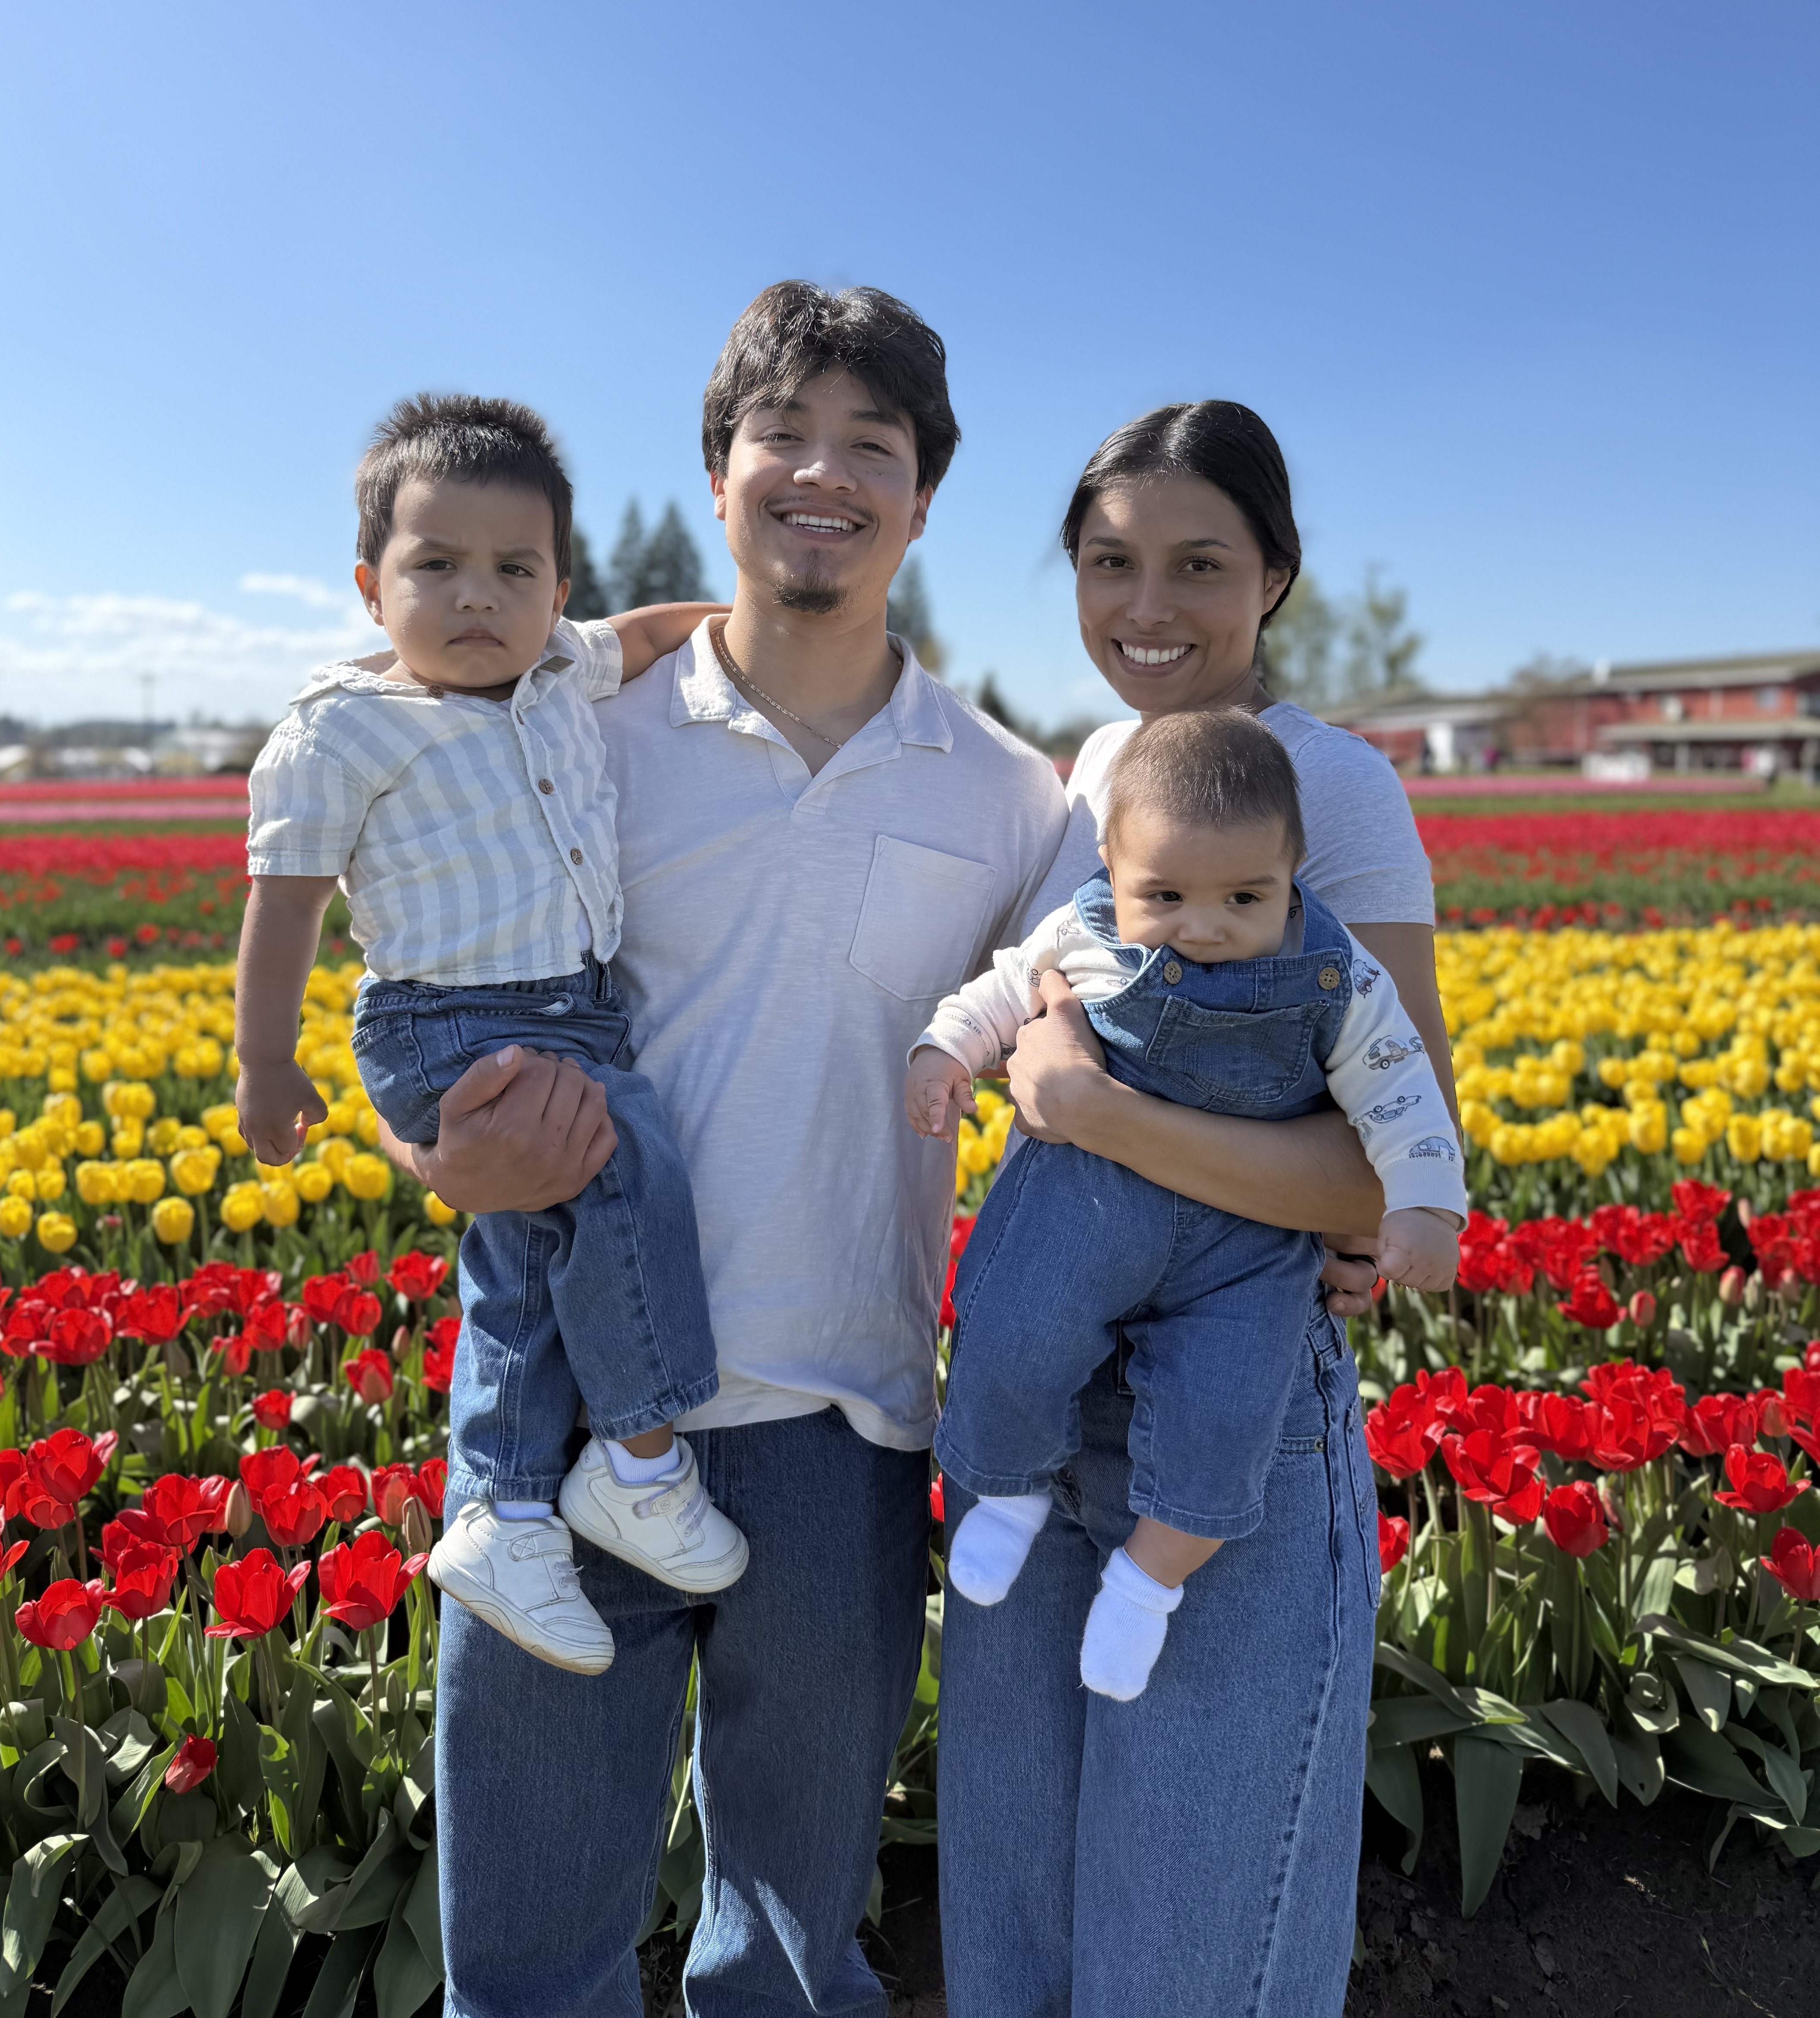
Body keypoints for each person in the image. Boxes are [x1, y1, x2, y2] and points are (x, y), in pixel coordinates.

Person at [383, 286, 1074, 2018]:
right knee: (532, 1962)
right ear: (718, 471)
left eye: (874, 446)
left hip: (839, 1432)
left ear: (925, 499)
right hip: (563, 1420)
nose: (822, 473)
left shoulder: (1009, 797)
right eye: (785, 433)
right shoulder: (571, 738)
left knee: (788, 1955)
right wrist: (439, 1166)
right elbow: (415, 1009)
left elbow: (1114, 1030)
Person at [937, 399, 1456, 2018]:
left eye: (1198, 564)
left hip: (1227, 1425)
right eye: (1108, 563)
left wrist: (1093, 1110)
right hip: (1040, 1404)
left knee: (1183, 1966)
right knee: (1016, 1942)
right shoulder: (1094, 767)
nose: (1145, 606)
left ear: (1276, 579)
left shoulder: (1331, 785)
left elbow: (1381, 1165)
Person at [238, 393, 746, 1678]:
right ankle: (639, 1459)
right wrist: (263, 1061)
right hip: (448, 1015)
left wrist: (734, 626)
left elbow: (641, 634)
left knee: (525, 1263)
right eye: (436, 566)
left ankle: (507, 1514)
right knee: (625, 1165)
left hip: (568, 1002)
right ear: (370, 586)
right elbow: (284, 903)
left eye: (514, 569)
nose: (478, 597)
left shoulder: (561, 668)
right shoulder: (345, 731)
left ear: (555, 584)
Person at [909, 706, 1461, 1700]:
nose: (1202, 928)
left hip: (1244, 1254)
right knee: (1014, 1328)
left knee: (1229, 1415)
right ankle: (1007, 1490)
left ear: (1294, 874)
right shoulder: (1083, 932)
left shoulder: (1335, 974)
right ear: (1112, 874)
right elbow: (1001, 990)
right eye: (1162, 895)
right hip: (1089, 1207)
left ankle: (1150, 1582)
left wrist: (1423, 1206)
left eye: (1244, 897)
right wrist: (946, 1051)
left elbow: (1401, 1085)